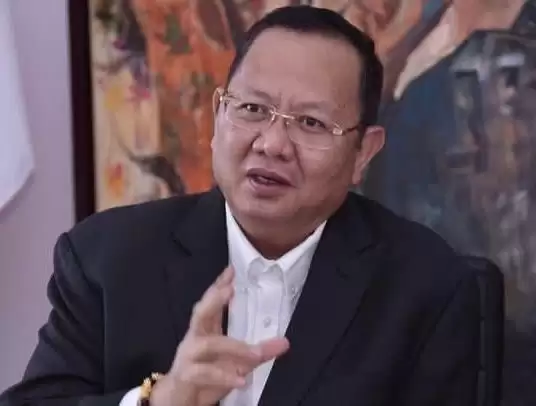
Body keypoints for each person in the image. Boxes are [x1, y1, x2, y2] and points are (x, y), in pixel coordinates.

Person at [0, 5, 482, 406]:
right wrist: (161, 400)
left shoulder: (426, 288)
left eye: (311, 123)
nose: (271, 144)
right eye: (252, 109)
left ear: (364, 153)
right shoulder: (106, 258)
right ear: (218, 115)